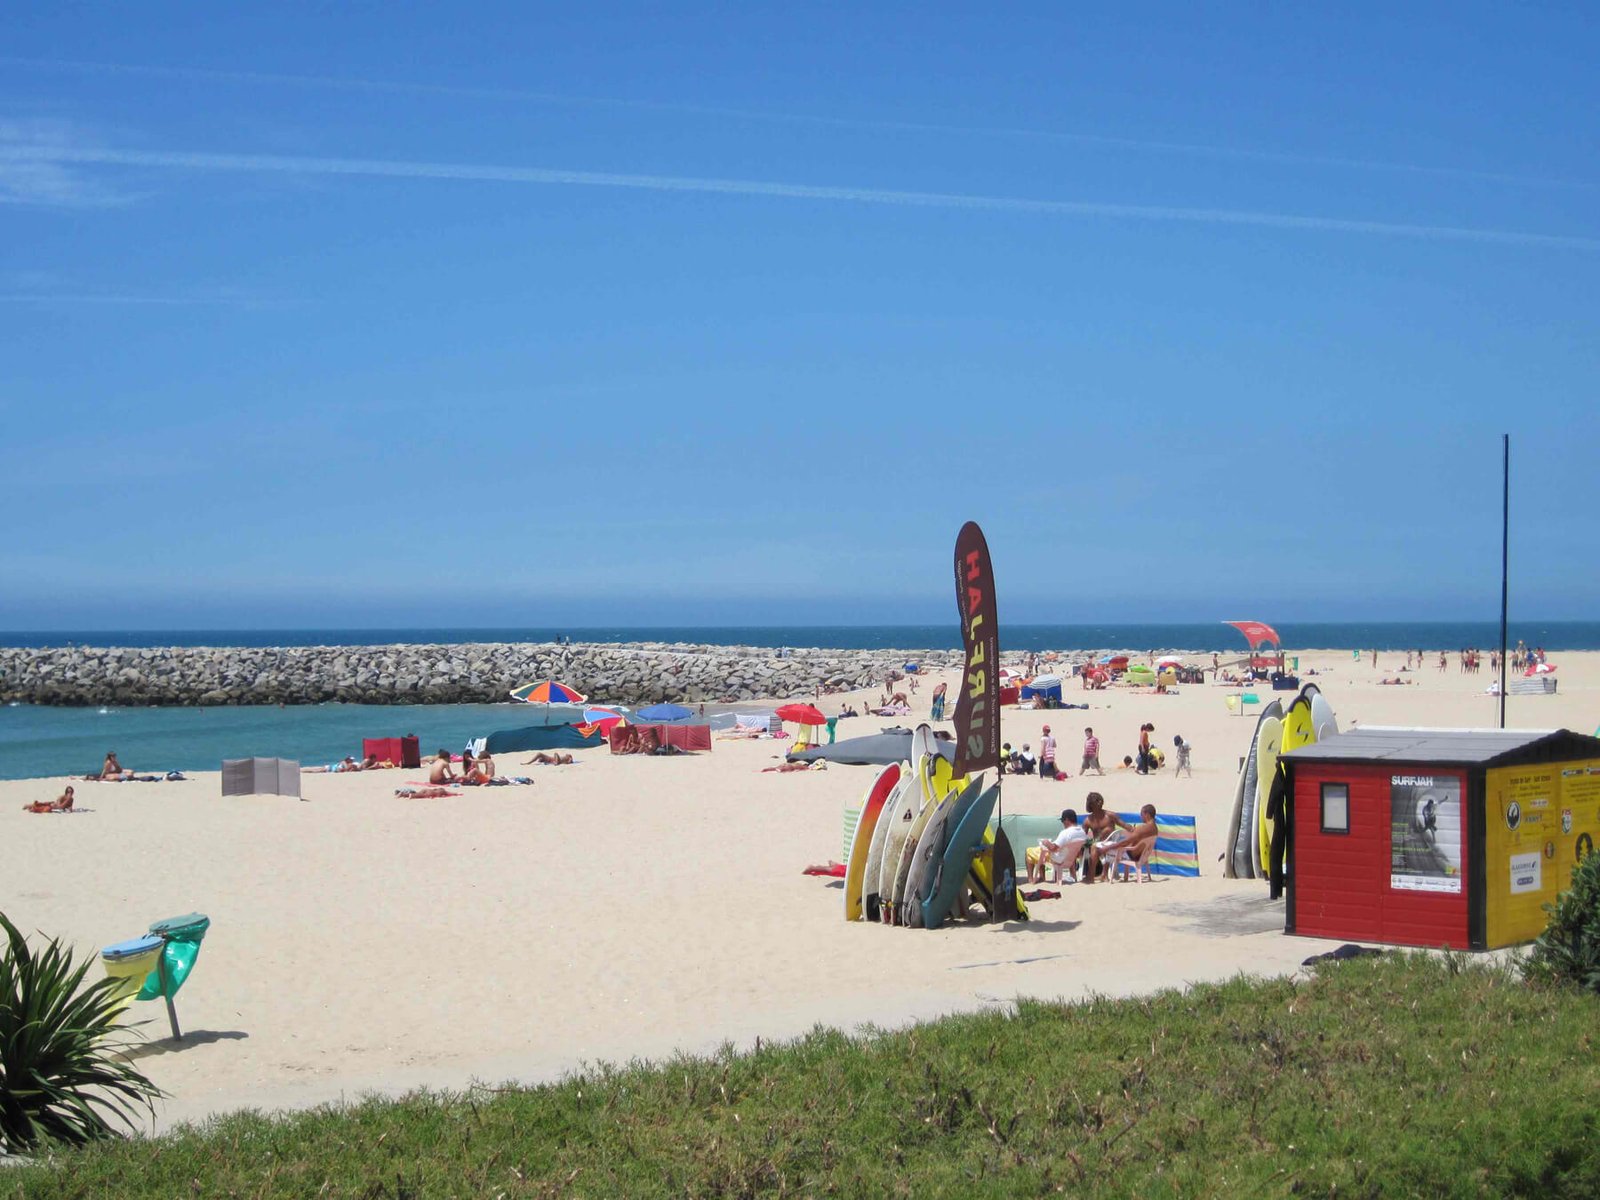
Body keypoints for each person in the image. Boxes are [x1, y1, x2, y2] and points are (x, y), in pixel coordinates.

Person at [1080, 793, 1132, 884]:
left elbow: (1124, 825)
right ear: (1091, 804)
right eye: (1097, 801)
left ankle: (1092, 876)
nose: (1100, 802)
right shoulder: (1088, 820)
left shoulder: (1110, 815)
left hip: (1112, 844)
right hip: (1097, 844)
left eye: (1100, 800)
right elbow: (1082, 836)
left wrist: (1135, 830)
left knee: (1106, 832)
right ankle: (1101, 875)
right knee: (1094, 846)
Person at [1101, 804, 1160, 881]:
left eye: (1142, 814)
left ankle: (1105, 874)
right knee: (1113, 846)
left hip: (1132, 855)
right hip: (1144, 855)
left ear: (1147, 814)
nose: (1141, 816)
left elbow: (1126, 842)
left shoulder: (1143, 828)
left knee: (1106, 849)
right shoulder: (1155, 828)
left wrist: (1109, 847)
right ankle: (1112, 874)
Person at [1029, 808, 1087, 883]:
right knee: (1042, 850)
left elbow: (1053, 848)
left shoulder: (1065, 833)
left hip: (1059, 859)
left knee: (1030, 851)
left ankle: (1031, 879)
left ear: (1067, 820)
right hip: (1072, 859)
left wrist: (1046, 842)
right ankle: (1042, 877)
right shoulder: (1082, 832)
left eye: (1063, 821)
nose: (1063, 823)